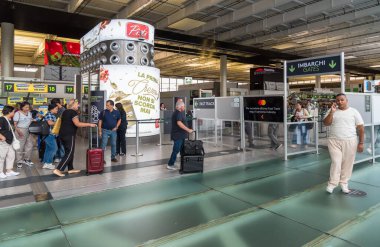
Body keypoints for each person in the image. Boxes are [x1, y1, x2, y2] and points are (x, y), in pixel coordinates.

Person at [323, 93, 364, 194]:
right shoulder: (332, 111)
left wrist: (361, 143)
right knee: (336, 162)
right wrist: (331, 112)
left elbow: (361, 128)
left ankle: (344, 183)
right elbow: (326, 123)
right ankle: (332, 184)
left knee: (347, 164)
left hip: (350, 141)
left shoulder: (354, 112)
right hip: (334, 141)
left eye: (342, 100)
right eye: (337, 100)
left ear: (346, 101)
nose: (339, 102)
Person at [53, 99, 96, 177]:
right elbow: (77, 124)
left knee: (69, 151)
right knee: (69, 152)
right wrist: (89, 124)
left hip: (62, 134)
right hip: (69, 135)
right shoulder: (73, 112)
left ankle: (70, 169)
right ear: (73, 105)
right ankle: (58, 169)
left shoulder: (65, 111)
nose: (78, 106)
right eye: (77, 104)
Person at [167, 101, 193, 170]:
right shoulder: (177, 113)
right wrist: (188, 130)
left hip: (181, 135)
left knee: (182, 149)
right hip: (178, 135)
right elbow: (179, 123)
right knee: (176, 149)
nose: (184, 107)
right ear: (180, 106)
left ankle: (183, 162)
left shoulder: (180, 113)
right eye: (184, 106)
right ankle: (170, 164)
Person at [0, 106, 20, 179]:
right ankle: (0, 172)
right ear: (9, 112)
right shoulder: (1, 119)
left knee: (11, 156)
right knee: (1, 157)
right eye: (13, 111)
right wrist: (2, 137)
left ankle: (9, 171)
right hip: (3, 142)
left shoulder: (9, 120)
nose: (14, 113)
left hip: (10, 142)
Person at [13, 102, 35, 168]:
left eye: (28, 107)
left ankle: (26, 159)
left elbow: (30, 120)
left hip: (28, 130)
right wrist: (18, 131)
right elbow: (15, 124)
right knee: (20, 146)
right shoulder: (18, 113)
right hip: (20, 130)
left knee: (30, 145)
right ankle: (19, 161)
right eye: (26, 107)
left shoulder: (30, 113)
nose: (27, 108)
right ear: (22, 107)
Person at [41, 104, 59, 170]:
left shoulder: (52, 115)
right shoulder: (49, 114)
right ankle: (48, 163)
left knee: (48, 149)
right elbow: (50, 123)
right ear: (52, 109)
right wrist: (58, 122)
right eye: (56, 109)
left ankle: (46, 163)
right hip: (49, 134)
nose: (57, 110)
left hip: (49, 134)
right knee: (54, 148)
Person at [51, 98, 65, 163]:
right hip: (56, 129)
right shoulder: (58, 109)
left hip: (59, 129)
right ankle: (57, 157)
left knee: (60, 143)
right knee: (57, 143)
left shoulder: (62, 110)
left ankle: (60, 157)